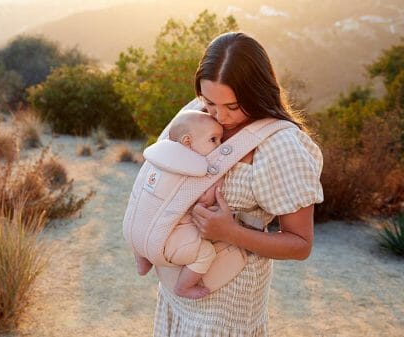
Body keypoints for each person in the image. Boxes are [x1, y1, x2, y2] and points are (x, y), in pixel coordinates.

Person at [152, 32, 323, 337]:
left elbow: (301, 245)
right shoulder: (198, 112)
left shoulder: (280, 145)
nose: (219, 116)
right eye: (210, 102)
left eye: (232, 106)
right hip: (177, 288)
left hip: (226, 305)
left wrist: (230, 232)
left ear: (258, 93)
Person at [134, 110, 224, 300]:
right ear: (187, 142)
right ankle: (183, 287)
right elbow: (205, 201)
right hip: (164, 240)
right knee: (206, 253)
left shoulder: (158, 159)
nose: (220, 145)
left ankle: (142, 261)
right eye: (214, 139)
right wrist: (217, 185)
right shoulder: (194, 169)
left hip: (133, 231)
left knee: (139, 223)